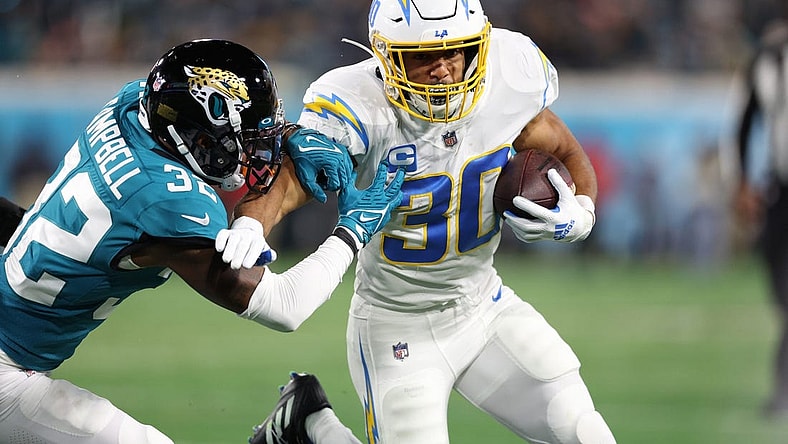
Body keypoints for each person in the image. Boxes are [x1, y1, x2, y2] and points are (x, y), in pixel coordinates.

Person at [233, 1, 617, 442]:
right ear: (386, 56)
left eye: (454, 52)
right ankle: (314, 426)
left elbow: (563, 147)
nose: (442, 70)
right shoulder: (359, 103)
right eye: (421, 56)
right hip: (396, 324)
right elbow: (290, 181)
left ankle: (305, 422)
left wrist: (581, 212)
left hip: (484, 305)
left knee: (586, 432)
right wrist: (252, 223)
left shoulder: (509, 75)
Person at [0, 38, 404, 443]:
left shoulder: (133, 105)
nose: (256, 150)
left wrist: (288, 137)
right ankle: (295, 428)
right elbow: (285, 306)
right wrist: (352, 231)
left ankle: (299, 423)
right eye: (245, 138)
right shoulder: (166, 199)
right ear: (198, 133)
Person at [734, 18, 788, 418]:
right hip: (780, 192)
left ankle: (782, 389)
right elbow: (742, 123)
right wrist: (743, 182)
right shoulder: (767, 61)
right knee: (779, 290)